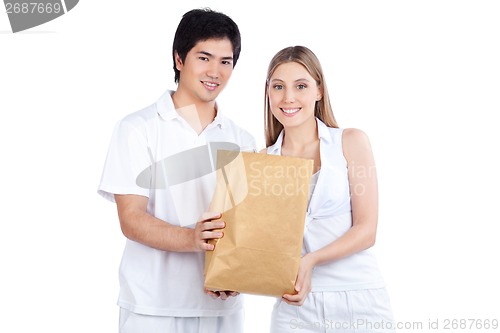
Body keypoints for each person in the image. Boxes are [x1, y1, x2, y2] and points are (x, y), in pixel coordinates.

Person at [98, 8, 255, 333]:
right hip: (151, 308)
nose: (215, 71)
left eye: (226, 62)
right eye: (204, 57)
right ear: (179, 59)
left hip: (221, 309)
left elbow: (245, 226)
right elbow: (131, 220)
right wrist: (192, 238)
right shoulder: (137, 129)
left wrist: (236, 273)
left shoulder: (242, 140)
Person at [263, 46, 394, 332]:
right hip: (295, 308)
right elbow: (261, 243)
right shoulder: (261, 161)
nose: (288, 98)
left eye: (301, 86)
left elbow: (366, 230)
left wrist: (312, 260)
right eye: (278, 86)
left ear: (319, 90)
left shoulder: (350, 142)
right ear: (268, 93)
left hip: (360, 299)